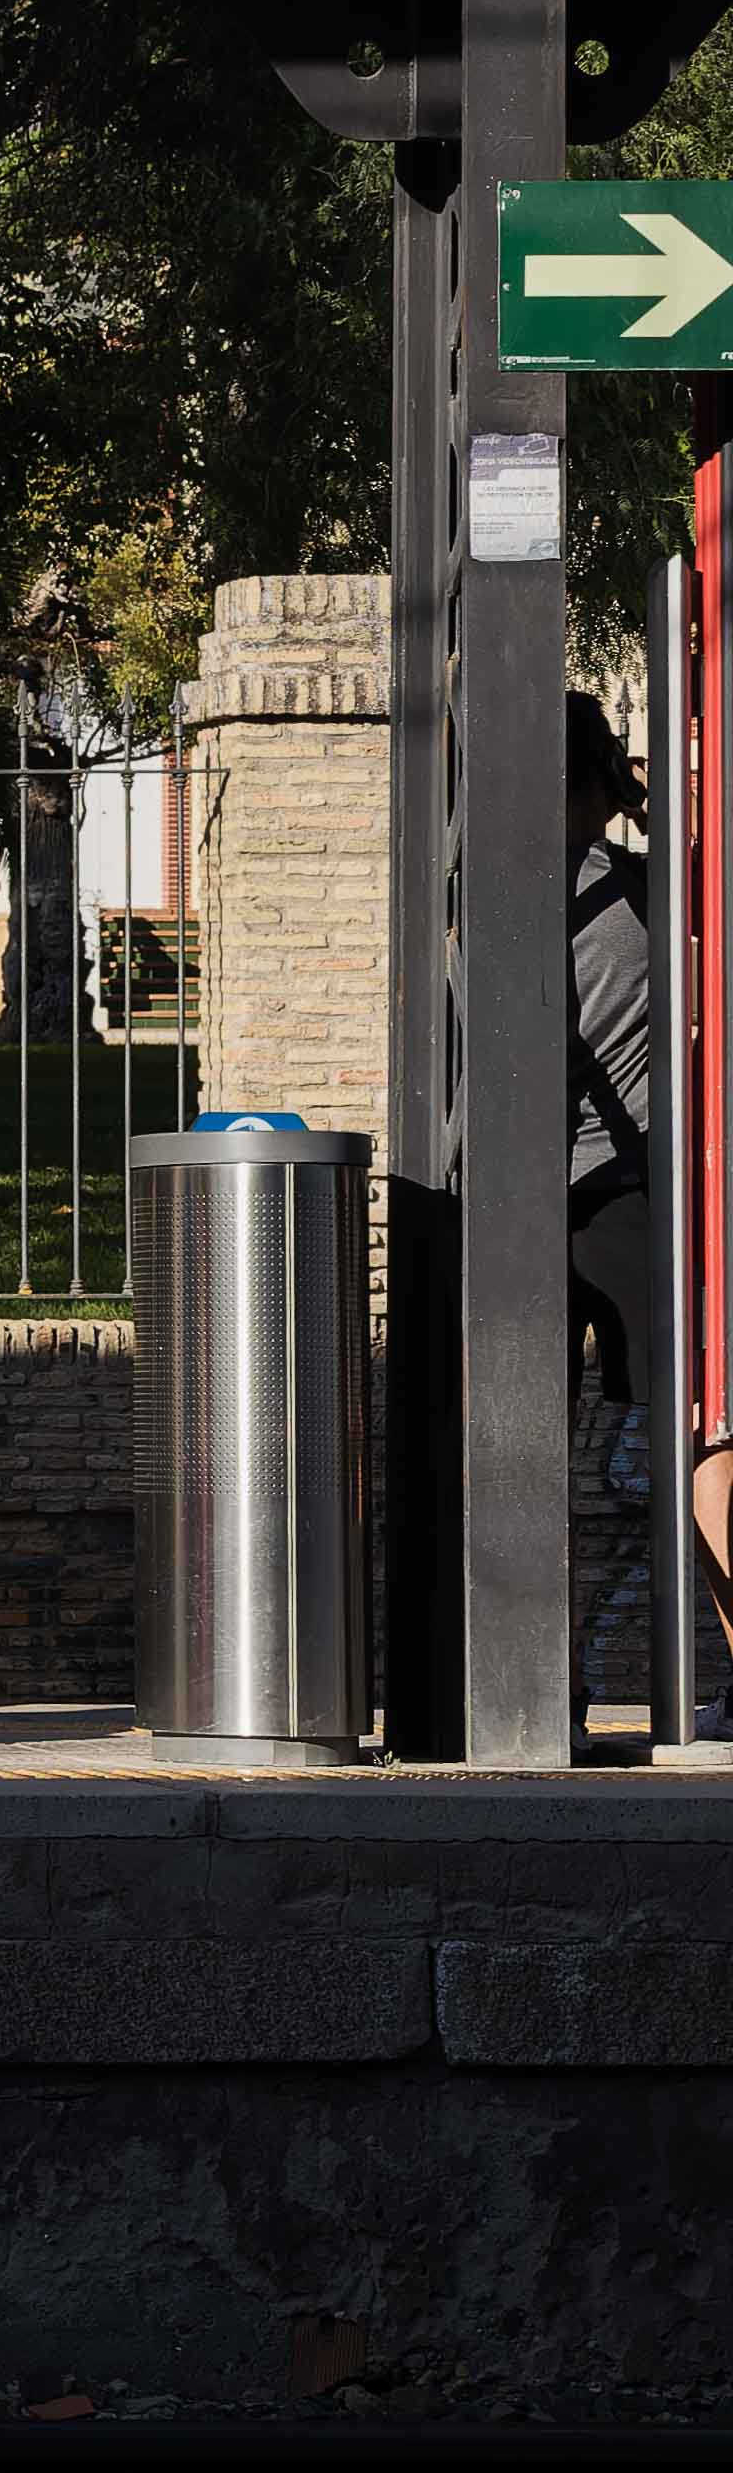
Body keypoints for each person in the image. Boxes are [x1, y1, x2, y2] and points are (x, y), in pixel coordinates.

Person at [558, 693, 724, 1728]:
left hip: (551, 1203)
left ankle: (540, 1689)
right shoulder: (657, 892)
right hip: (650, 1199)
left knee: (527, 1451)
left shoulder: (516, 901)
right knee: (704, 1434)